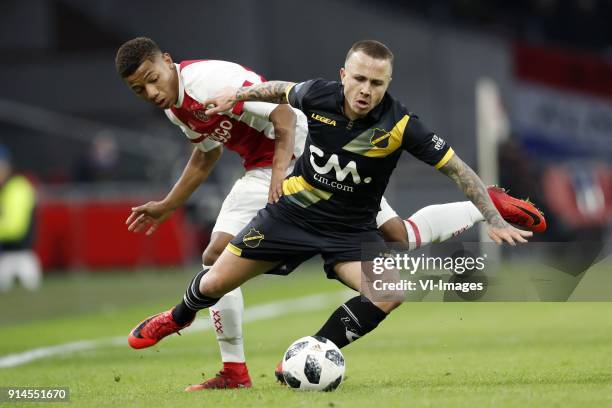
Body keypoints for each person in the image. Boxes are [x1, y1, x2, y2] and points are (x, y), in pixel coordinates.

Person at [116, 38, 543, 390]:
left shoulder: (211, 79)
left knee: (394, 244)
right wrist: (169, 203)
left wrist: (277, 176)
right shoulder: (183, 106)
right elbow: (247, 119)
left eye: (376, 82)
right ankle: (215, 352)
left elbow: (283, 115)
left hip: (302, 173)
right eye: (141, 89)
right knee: (216, 259)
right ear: (343, 77)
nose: (152, 92)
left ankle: (481, 204)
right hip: (289, 197)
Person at [0, 145, 41, 292]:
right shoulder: (5, 188)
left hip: (22, 258)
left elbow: (15, 228)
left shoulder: (17, 187)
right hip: (5, 256)